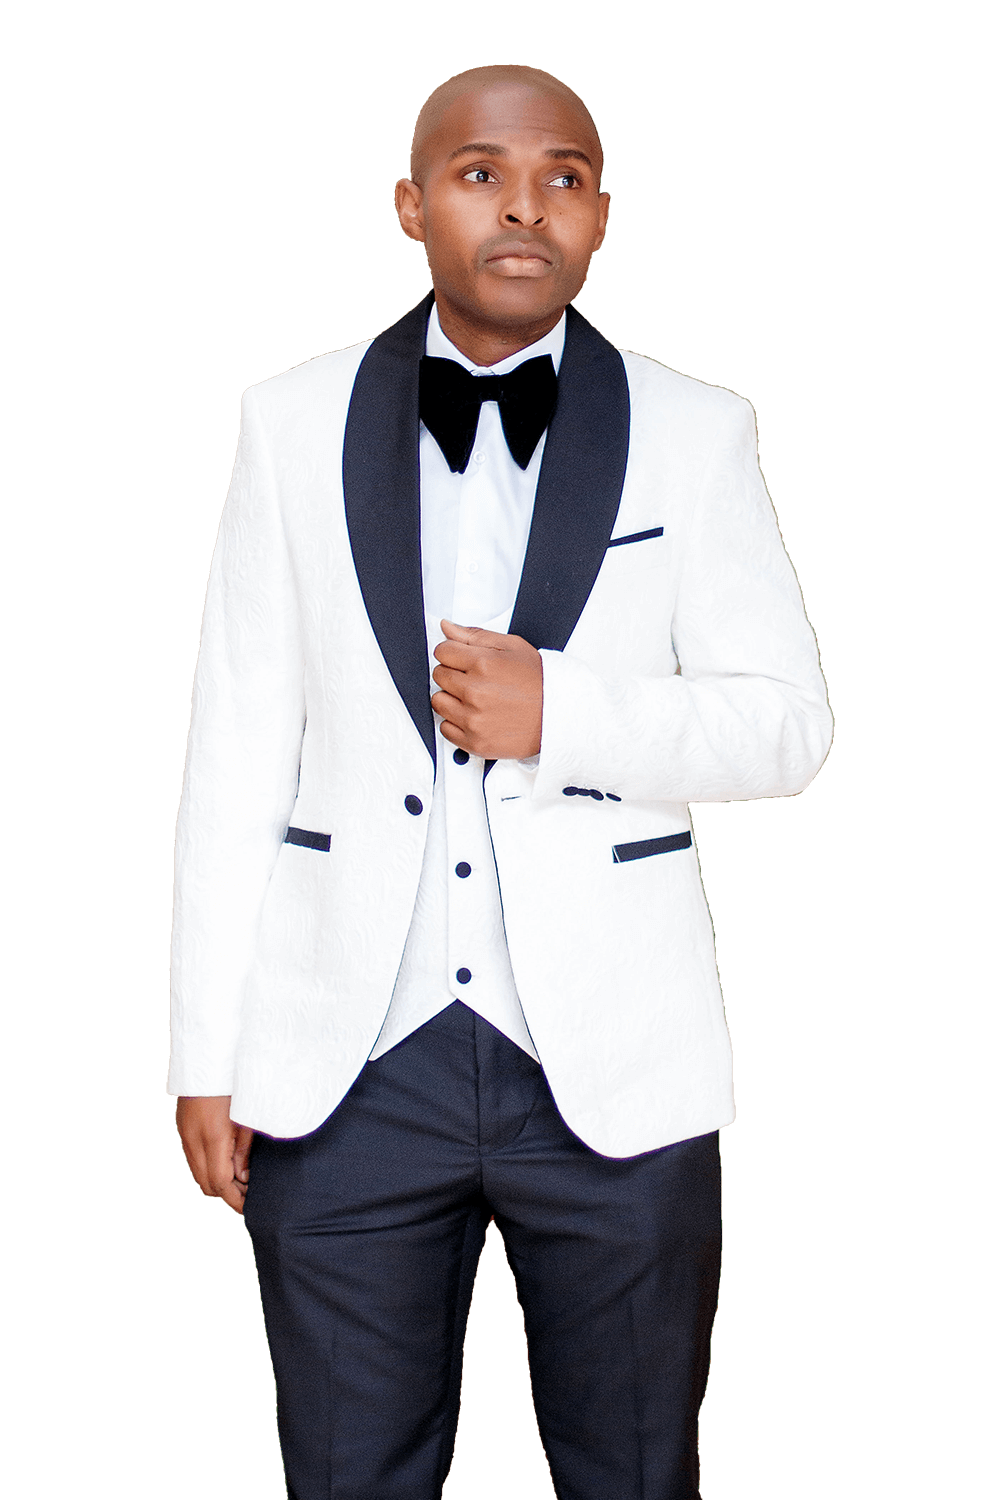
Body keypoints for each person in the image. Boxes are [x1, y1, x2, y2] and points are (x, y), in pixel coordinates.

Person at [170, 63, 833, 1499]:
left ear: (601, 217)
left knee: (635, 1476)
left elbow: (788, 729)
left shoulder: (698, 429)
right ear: (413, 206)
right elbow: (235, 750)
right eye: (481, 174)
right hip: (345, 1061)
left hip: (618, 1062)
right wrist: (204, 1051)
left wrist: (565, 711)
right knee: (345, 1479)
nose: (524, 206)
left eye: (563, 179)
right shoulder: (287, 422)